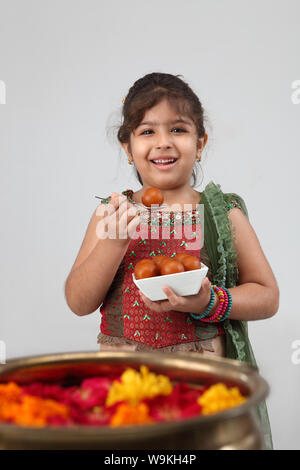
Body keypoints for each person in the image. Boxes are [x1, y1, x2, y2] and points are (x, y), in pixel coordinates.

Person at [64, 72, 279, 449]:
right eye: (147, 131)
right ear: (127, 147)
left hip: (204, 378)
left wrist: (210, 302)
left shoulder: (223, 214)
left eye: (178, 129)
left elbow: (267, 296)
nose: (163, 142)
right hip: (124, 379)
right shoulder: (111, 215)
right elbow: (79, 302)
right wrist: (114, 244)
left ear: (200, 142)